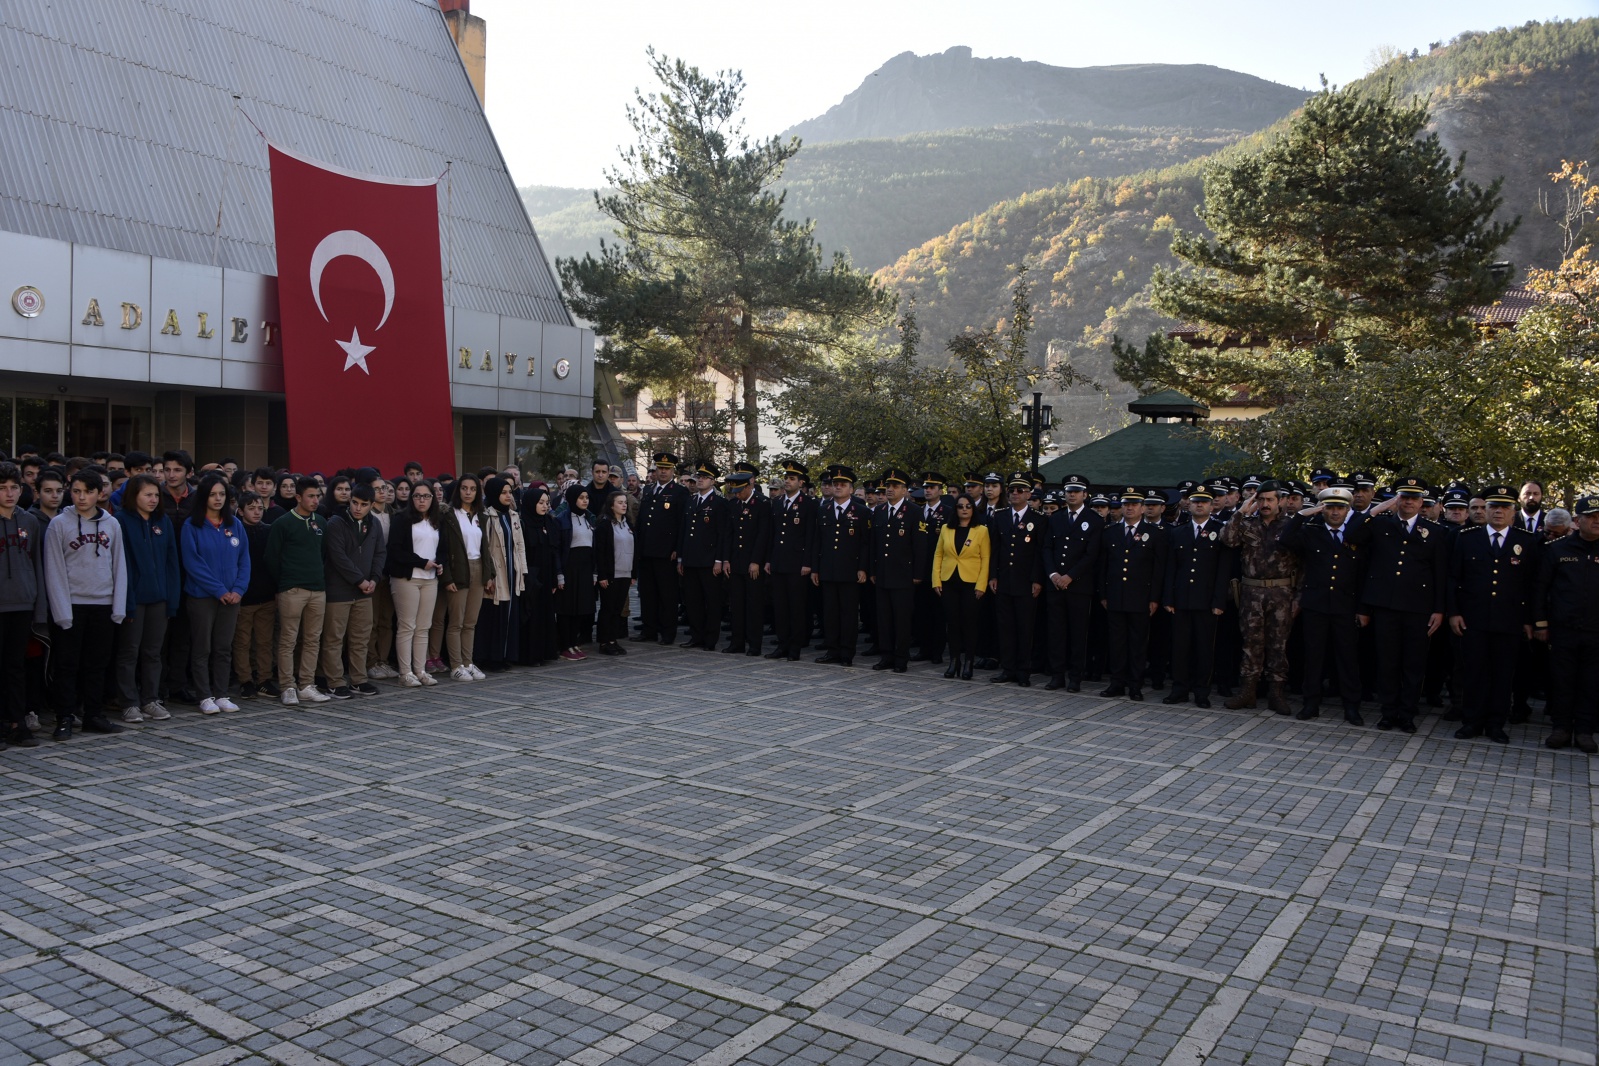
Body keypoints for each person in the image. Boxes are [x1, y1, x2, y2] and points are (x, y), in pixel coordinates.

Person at [1346, 478, 1448, 733]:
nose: (1409, 502)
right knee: (1388, 662)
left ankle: (1407, 714)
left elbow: (1440, 574)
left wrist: (1438, 609)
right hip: (1386, 606)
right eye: (1404, 497)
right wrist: (1378, 509)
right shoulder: (1381, 524)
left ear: (1421, 502)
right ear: (1397, 500)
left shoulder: (1434, 531)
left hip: (1418, 608)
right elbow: (1352, 534)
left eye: (1414, 498)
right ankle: (1388, 712)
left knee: (1413, 664)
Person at [1446, 485, 1539, 743]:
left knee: (1503, 673)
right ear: (1484, 510)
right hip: (1472, 618)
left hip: (1509, 621)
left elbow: (1532, 585)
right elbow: (1453, 578)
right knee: (1474, 672)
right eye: (1493, 507)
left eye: (1504, 507)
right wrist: (1453, 612)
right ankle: (1471, 722)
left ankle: (1496, 723)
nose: (1498, 511)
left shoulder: (1527, 541)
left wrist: (1529, 620)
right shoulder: (1466, 538)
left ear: (1513, 512)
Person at [43, 469, 127, 740]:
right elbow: (53, 569)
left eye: (88, 492)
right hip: (72, 605)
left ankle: (93, 715)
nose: (82, 497)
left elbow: (119, 566)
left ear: (98, 493)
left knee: (97, 664)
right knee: (67, 665)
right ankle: (65, 716)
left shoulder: (112, 524)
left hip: (103, 604)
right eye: (76, 491)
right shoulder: (59, 524)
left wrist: (118, 607)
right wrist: (62, 611)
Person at [1279, 485, 1368, 724]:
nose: (1335, 512)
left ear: (1347, 510)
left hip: (1345, 605)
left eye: (1340, 508)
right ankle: (1311, 703)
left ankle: (1351, 706)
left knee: (1347, 658)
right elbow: (1286, 539)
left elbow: (1363, 575)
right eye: (1330, 508)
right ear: (1323, 509)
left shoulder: (1357, 535)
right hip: (1316, 605)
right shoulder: (1312, 532)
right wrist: (1302, 514)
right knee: (1314, 656)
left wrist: (1362, 608)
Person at [1220, 479, 1301, 713]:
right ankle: (1248, 692)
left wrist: (1299, 597)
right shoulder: (1247, 524)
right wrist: (1241, 511)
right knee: (1251, 644)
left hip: (1281, 593)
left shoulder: (1291, 526)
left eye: (1269, 500)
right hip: (1251, 593)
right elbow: (1228, 539)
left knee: (1278, 645)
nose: (1265, 504)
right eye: (1261, 500)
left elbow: (1304, 565)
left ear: (1281, 501)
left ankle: (1276, 694)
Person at [112, 473, 180, 724]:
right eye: (147, 495)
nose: (153, 500)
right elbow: (123, 566)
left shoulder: (162, 521)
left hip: (159, 599)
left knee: (153, 652)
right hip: (133, 599)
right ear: (134, 496)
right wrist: (126, 603)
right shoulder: (120, 521)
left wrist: (171, 598)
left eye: (155, 495)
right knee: (129, 651)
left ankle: (151, 699)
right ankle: (129, 702)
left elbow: (172, 562)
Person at [1534, 494, 1599, 753]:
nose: (1596, 521)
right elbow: (1540, 589)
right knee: (1562, 681)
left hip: (1596, 631)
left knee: (1591, 682)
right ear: (1577, 520)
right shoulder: (1558, 549)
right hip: (1563, 629)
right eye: (1591, 517)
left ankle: (1584, 731)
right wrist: (1540, 624)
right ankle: (1561, 728)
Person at [181, 472, 249, 714]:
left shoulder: (235, 525)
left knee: (223, 647)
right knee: (202, 648)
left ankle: (221, 694)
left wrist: (238, 589)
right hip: (202, 597)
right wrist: (219, 589)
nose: (218, 499)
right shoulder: (192, 526)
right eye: (213, 494)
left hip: (232, 598)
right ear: (203, 498)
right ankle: (204, 696)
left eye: (222, 494)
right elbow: (193, 563)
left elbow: (244, 560)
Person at [1161, 485, 1232, 708]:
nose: (1199, 505)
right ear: (1188, 504)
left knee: (1204, 648)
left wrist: (1219, 600)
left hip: (1207, 601)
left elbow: (1223, 571)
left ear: (1212, 506)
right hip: (1181, 600)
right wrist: (1168, 598)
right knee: (1180, 648)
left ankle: (1202, 691)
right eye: (1195, 501)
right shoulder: (1178, 531)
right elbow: (1171, 568)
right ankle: (1180, 689)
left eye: (1204, 501)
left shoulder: (1220, 531)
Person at [264, 476, 329, 706]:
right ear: (298, 497)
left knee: (312, 639)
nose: (314, 500)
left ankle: (306, 685)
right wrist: (285, 583)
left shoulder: (320, 521)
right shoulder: (283, 523)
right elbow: (272, 558)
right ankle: (287, 686)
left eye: (317, 496)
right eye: (310, 496)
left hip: (317, 589)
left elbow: (322, 554)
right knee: (288, 639)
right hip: (292, 590)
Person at [1099, 487, 1167, 701]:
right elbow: (1103, 566)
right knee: (1116, 642)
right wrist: (1103, 593)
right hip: (1115, 596)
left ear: (1142, 508)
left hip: (1140, 597)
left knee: (1138, 644)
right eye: (1125, 504)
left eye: (1134, 504)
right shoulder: (1110, 531)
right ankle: (1117, 682)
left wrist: (1154, 597)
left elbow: (1158, 570)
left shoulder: (1155, 533)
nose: (1129, 508)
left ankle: (1135, 685)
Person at [320, 483, 387, 699]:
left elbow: (380, 553)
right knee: (334, 639)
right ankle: (335, 681)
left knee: (361, 638)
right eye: (355, 503)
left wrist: (375, 579)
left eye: (364, 505)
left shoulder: (374, 524)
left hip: (365, 591)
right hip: (338, 591)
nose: (358, 508)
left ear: (371, 505)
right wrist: (360, 580)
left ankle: (359, 680)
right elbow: (338, 557)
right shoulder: (336, 523)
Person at [1043, 474, 1102, 692]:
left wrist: (1070, 576)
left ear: (1085, 495)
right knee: (1056, 632)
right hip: (1055, 584)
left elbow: (1091, 555)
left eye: (1076, 491)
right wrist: (1053, 575)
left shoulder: (1094, 520)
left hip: (1079, 586)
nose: (1072, 494)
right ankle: (1057, 675)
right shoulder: (1056, 517)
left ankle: (1075, 677)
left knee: (1078, 634)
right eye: (1069, 491)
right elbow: (1047, 548)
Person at [986, 473, 1046, 686]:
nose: (1014, 494)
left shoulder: (1038, 519)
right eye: (1011, 490)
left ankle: (1023, 670)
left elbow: (1040, 553)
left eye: (1020, 490)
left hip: (1025, 582)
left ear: (1029, 494)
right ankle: (1008, 668)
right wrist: (993, 575)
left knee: (1024, 628)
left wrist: (1037, 579)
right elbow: (995, 548)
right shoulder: (1000, 516)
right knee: (1006, 627)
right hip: (1004, 581)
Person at [385, 480, 447, 686]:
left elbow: (442, 549)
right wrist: (423, 562)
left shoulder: (437, 520)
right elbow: (395, 550)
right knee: (407, 626)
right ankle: (405, 672)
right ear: (412, 499)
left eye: (426, 496)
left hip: (430, 580)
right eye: (417, 496)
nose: (422, 500)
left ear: (433, 498)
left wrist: (439, 563)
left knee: (423, 627)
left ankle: (420, 670)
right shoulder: (401, 519)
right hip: (407, 578)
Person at [0, 462, 44, 747]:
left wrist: (38, 605)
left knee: (15, 666)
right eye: (2, 488)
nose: (9, 493)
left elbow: (37, 564)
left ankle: (17, 723)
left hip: (21, 604)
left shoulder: (29, 521)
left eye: (14, 488)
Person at [811, 466, 868, 666]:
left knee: (849, 614)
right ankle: (832, 650)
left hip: (850, 571)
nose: (838, 487)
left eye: (843, 484)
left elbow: (865, 543)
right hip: (828, 570)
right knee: (830, 613)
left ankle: (846, 653)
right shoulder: (823, 510)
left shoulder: (861, 511)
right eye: (835, 484)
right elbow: (817, 541)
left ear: (851, 489)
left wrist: (862, 568)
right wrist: (815, 568)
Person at [439, 474, 491, 682]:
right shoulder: (449, 515)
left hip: (478, 568)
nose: (468, 492)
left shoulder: (481, 515)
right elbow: (442, 548)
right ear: (458, 490)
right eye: (464, 488)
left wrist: (489, 574)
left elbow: (485, 548)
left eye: (472, 489)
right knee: (456, 622)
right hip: (458, 569)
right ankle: (455, 664)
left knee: (471, 622)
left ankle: (468, 662)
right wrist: (448, 577)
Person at [933, 494, 990, 680]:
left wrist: (981, 585)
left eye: (968, 506)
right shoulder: (946, 529)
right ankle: (954, 661)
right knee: (952, 624)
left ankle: (968, 663)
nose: (964, 509)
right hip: (949, 582)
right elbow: (938, 555)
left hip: (971, 584)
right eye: (960, 506)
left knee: (970, 624)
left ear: (973, 509)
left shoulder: (981, 530)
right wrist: (936, 581)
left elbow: (985, 559)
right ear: (955, 509)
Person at [633, 452, 688, 645]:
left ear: (673, 470)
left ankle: (667, 633)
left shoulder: (679, 492)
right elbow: (642, 521)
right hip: (647, 550)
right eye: (660, 468)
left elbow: (682, 524)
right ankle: (649, 630)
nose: (663, 472)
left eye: (667, 468)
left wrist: (677, 549)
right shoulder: (648, 490)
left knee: (667, 595)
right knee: (647, 594)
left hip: (666, 552)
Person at [867, 468, 917, 672]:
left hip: (903, 575)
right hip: (883, 574)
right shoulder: (879, 511)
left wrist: (917, 574)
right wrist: (872, 569)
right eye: (888, 486)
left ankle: (901, 658)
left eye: (895, 486)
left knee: (902, 619)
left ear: (904, 490)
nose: (890, 489)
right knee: (884, 618)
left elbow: (919, 546)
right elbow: (873, 544)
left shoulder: (914, 511)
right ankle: (886, 656)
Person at [765, 460, 815, 662]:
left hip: (797, 564)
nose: (787, 481)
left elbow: (811, 536)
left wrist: (807, 562)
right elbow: (773, 534)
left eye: (792, 479)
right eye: (786, 478)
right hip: (778, 561)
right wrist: (768, 559)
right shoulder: (777, 503)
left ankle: (795, 647)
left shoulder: (809, 504)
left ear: (801, 482)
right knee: (781, 607)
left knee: (796, 607)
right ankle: (782, 644)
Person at [474, 476, 526, 670]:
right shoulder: (487, 515)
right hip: (497, 572)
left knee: (509, 614)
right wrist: (488, 575)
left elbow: (520, 545)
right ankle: (490, 657)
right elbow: (484, 548)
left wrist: (523, 570)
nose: (507, 496)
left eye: (509, 492)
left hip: (513, 572)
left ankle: (506, 655)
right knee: (495, 615)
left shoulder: (513, 515)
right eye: (503, 492)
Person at [677, 460, 728, 652]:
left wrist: (718, 560)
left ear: (713, 482)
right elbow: (684, 530)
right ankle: (696, 636)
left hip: (709, 560)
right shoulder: (691, 501)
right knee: (693, 601)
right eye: (699, 477)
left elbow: (722, 534)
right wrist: (681, 557)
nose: (700, 480)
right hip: (691, 559)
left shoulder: (719, 503)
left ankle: (710, 639)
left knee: (712, 601)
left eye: (705, 478)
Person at [231, 490, 277, 698]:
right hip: (244, 596)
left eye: (260, 508)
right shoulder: (235, 532)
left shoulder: (268, 531)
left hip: (266, 595)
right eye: (251, 508)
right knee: (242, 641)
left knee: (265, 641)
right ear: (240, 511)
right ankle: (245, 680)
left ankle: (264, 679)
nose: (257, 512)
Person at [724, 470, 771, 656]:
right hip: (736, 561)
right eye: (734, 491)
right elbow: (729, 533)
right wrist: (726, 559)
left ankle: (754, 644)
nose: (737, 494)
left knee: (753, 605)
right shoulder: (733, 505)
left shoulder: (761, 504)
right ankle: (737, 642)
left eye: (740, 490)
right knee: (736, 604)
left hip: (753, 563)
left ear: (749, 486)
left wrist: (756, 561)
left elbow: (763, 535)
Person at [519, 486, 560, 665]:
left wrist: (553, 578)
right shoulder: (524, 524)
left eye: (547, 503)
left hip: (546, 575)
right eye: (540, 503)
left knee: (545, 614)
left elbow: (553, 551)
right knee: (531, 615)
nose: (544, 506)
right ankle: (530, 655)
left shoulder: (548, 522)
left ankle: (545, 652)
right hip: (530, 576)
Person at [554, 485, 596, 660]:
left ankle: (574, 643)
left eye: (586, 497)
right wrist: (559, 573)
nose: (585, 500)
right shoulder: (562, 519)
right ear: (572, 499)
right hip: (569, 567)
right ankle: (565, 645)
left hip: (585, 568)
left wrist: (595, 571)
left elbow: (594, 547)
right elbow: (557, 549)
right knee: (566, 609)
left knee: (580, 607)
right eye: (581, 497)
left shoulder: (589, 518)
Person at [592, 488, 635, 656]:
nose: (624, 505)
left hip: (625, 572)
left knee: (618, 609)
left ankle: (613, 639)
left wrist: (633, 573)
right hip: (611, 574)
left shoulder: (628, 523)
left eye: (625, 502)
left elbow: (634, 547)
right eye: (620, 502)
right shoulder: (604, 523)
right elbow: (600, 552)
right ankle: (604, 641)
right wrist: (602, 575)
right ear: (611, 505)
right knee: (608, 608)